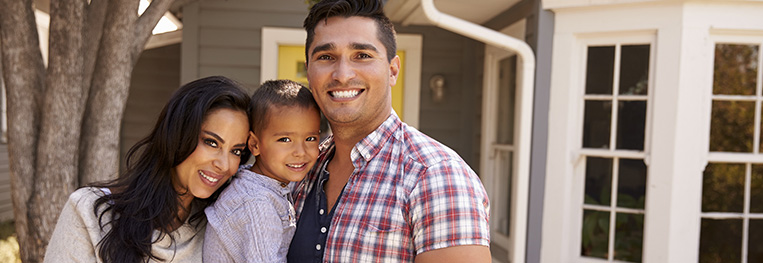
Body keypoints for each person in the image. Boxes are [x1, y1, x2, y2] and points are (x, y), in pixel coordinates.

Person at [287, 0, 492, 262]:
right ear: (309, 71)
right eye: (326, 57)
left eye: (362, 55)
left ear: (392, 70)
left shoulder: (436, 176)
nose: (342, 74)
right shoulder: (302, 166)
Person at [43, 76, 251, 263]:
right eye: (211, 142)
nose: (225, 165)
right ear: (177, 135)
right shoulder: (89, 212)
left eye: (236, 151)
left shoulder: (218, 229)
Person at [203, 79, 321, 262]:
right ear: (254, 144)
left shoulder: (262, 183)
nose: (300, 152)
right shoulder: (257, 204)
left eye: (311, 138)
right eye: (285, 140)